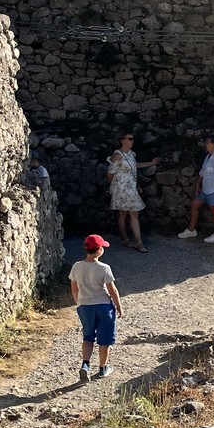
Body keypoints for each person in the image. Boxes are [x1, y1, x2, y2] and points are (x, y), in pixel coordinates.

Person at [68, 233, 123, 382]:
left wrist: (79, 302)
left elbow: (74, 288)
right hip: (104, 306)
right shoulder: (104, 268)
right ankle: (103, 368)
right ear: (99, 250)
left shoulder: (77, 266)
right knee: (104, 339)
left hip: (85, 307)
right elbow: (113, 290)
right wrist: (119, 307)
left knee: (88, 336)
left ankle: (85, 364)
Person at [107, 132, 158, 252]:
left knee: (134, 213)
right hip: (121, 189)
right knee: (123, 214)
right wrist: (113, 186)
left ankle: (138, 241)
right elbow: (109, 174)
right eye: (129, 139)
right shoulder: (117, 156)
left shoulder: (131, 154)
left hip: (131, 189)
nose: (132, 141)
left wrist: (151, 163)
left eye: (132, 139)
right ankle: (126, 239)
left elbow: (135, 166)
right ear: (122, 140)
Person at [178, 135, 214, 244]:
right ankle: (191, 230)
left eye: (208, 142)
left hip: (213, 190)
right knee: (194, 205)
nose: (206, 144)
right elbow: (202, 172)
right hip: (205, 189)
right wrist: (197, 186)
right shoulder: (209, 156)